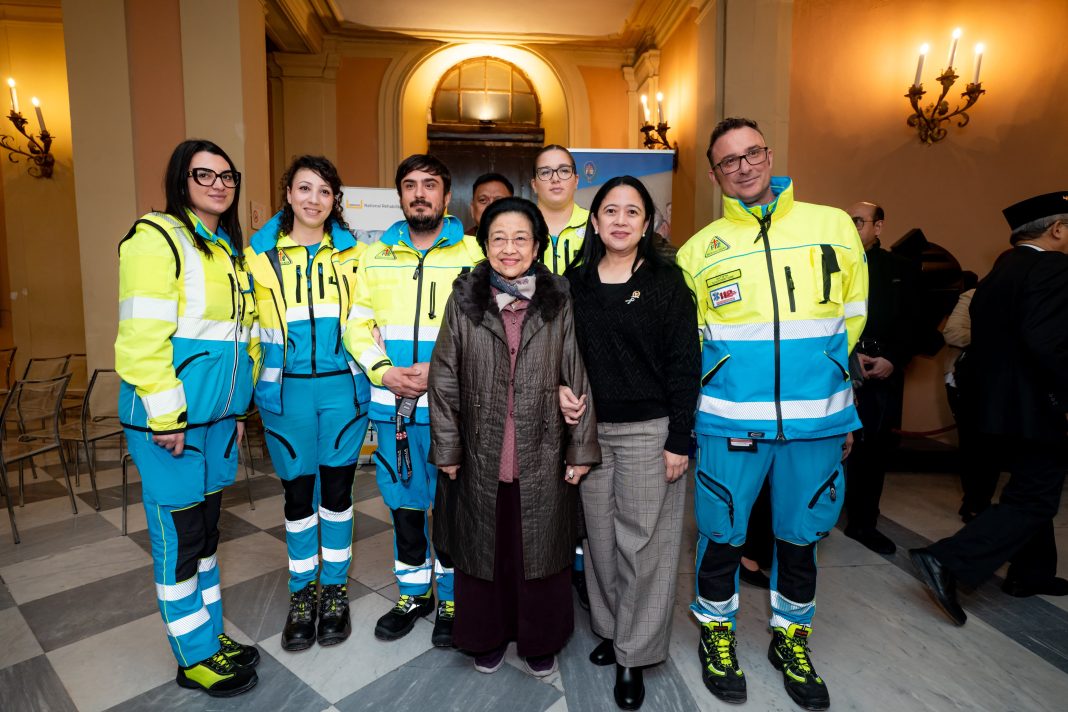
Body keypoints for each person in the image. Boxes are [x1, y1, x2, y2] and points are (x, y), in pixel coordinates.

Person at [676, 117, 867, 711]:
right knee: (721, 533)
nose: (743, 166)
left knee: (802, 536)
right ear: (715, 175)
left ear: (770, 154)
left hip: (818, 419)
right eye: (728, 161)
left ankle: (791, 640)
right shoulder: (697, 251)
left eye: (751, 153)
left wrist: (833, 389)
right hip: (729, 422)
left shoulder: (831, 225)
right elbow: (689, 343)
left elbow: (853, 314)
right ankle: (717, 634)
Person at [428, 196, 600, 678]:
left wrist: (581, 448)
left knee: (540, 548)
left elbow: (577, 373)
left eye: (521, 238)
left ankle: (539, 637)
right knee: (484, 548)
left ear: (538, 245)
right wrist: (447, 447)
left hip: (541, 446)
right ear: (484, 244)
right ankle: (485, 634)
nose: (509, 248)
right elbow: (443, 375)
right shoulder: (465, 297)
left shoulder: (558, 299)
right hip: (481, 447)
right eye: (498, 238)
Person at [116, 139, 259, 696]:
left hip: (217, 422)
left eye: (227, 175)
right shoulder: (155, 240)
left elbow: (239, 341)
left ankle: (209, 635)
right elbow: (142, 340)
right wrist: (166, 415)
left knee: (204, 535)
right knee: (178, 540)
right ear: (181, 179)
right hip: (169, 424)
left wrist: (237, 406)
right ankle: (193, 657)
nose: (219, 184)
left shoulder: (222, 247)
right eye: (205, 174)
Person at [567, 176, 700, 710]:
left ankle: (634, 654)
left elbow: (685, 365)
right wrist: (559, 387)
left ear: (647, 224)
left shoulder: (668, 282)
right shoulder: (573, 283)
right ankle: (612, 629)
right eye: (610, 210)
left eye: (632, 212)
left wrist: (679, 440)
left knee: (643, 544)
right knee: (599, 540)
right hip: (591, 430)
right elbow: (555, 350)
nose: (620, 220)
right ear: (594, 221)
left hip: (651, 431)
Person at [911, 192, 1068, 625]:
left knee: (1030, 487)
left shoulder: (1003, 269)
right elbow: (1046, 342)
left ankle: (1030, 573)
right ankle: (948, 559)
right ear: (1056, 229)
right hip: (1037, 405)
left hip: (996, 404)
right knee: (1034, 497)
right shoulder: (1053, 267)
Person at [344, 154, 483, 646]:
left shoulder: (474, 255)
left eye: (430, 185)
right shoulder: (374, 256)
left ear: (447, 195)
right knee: (403, 505)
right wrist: (383, 372)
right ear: (400, 195)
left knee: (451, 507)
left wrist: (443, 371)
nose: (419, 193)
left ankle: (450, 595)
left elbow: (489, 333)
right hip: (393, 409)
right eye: (409, 185)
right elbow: (355, 324)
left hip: (454, 412)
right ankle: (411, 591)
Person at [244, 155, 371, 651]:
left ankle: (335, 592)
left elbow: (368, 322)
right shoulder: (258, 256)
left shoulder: (356, 256)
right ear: (288, 194)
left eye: (324, 190)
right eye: (304, 188)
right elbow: (247, 331)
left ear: (335, 199)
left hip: (343, 390)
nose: (313, 199)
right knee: (298, 499)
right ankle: (303, 594)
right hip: (285, 393)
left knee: (337, 498)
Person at [842, 201, 925, 555]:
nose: (852, 226)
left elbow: (915, 323)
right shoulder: (830, 262)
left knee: (872, 451)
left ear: (878, 227)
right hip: (839, 369)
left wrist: (893, 358)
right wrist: (846, 357)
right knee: (827, 447)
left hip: (883, 372)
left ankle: (864, 522)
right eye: (847, 221)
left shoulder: (901, 269)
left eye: (858, 221)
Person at [941, 279, 1000, 522]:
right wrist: (997, 338)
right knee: (972, 442)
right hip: (964, 378)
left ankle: (980, 499)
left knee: (993, 444)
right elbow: (952, 332)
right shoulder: (972, 296)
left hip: (1001, 381)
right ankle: (974, 500)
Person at [531, 144, 588, 274]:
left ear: (576, 181)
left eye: (564, 171)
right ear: (534, 185)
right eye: (545, 172)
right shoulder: (520, 227)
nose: (555, 179)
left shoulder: (596, 225)